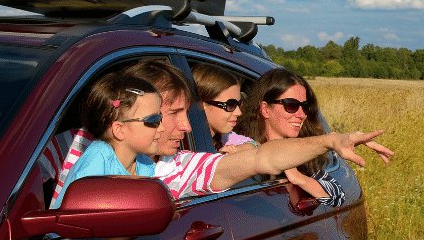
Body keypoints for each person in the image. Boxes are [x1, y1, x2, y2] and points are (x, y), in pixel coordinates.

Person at [48, 59, 393, 206]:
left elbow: (261, 157)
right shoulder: (66, 145)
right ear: (121, 120)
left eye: (189, 113)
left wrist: (333, 140)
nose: (185, 127)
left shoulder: (170, 167)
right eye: (169, 115)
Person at [51, 74, 164, 208]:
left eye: (161, 118)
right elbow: (80, 216)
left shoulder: (145, 164)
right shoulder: (97, 161)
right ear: (119, 130)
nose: (162, 128)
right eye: (153, 121)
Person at [237, 68, 344, 206]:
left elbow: (338, 197)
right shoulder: (244, 146)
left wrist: (298, 178)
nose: (301, 114)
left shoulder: (301, 151)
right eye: (291, 105)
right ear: (265, 109)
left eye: (305, 106)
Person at [191, 63, 256, 153]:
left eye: (239, 103)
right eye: (231, 105)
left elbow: (255, 145)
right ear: (202, 104)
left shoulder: (224, 138)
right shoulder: (183, 141)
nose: (239, 112)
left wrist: (237, 150)